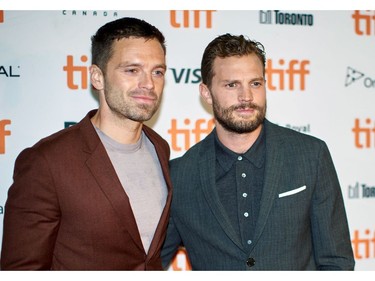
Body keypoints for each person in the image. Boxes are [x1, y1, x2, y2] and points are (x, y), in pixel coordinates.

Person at [161, 33, 355, 270]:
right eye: (232, 85)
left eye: (255, 83)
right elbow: (151, 263)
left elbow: (336, 261)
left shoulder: (310, 155)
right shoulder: (180, 174)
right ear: (206, 93)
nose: (247, 97)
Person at [1, 17, 172, 270]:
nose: (148, 83)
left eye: (157, 71)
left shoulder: (159, 147)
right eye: (132, 70)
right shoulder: (46, 162)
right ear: (97, 77)